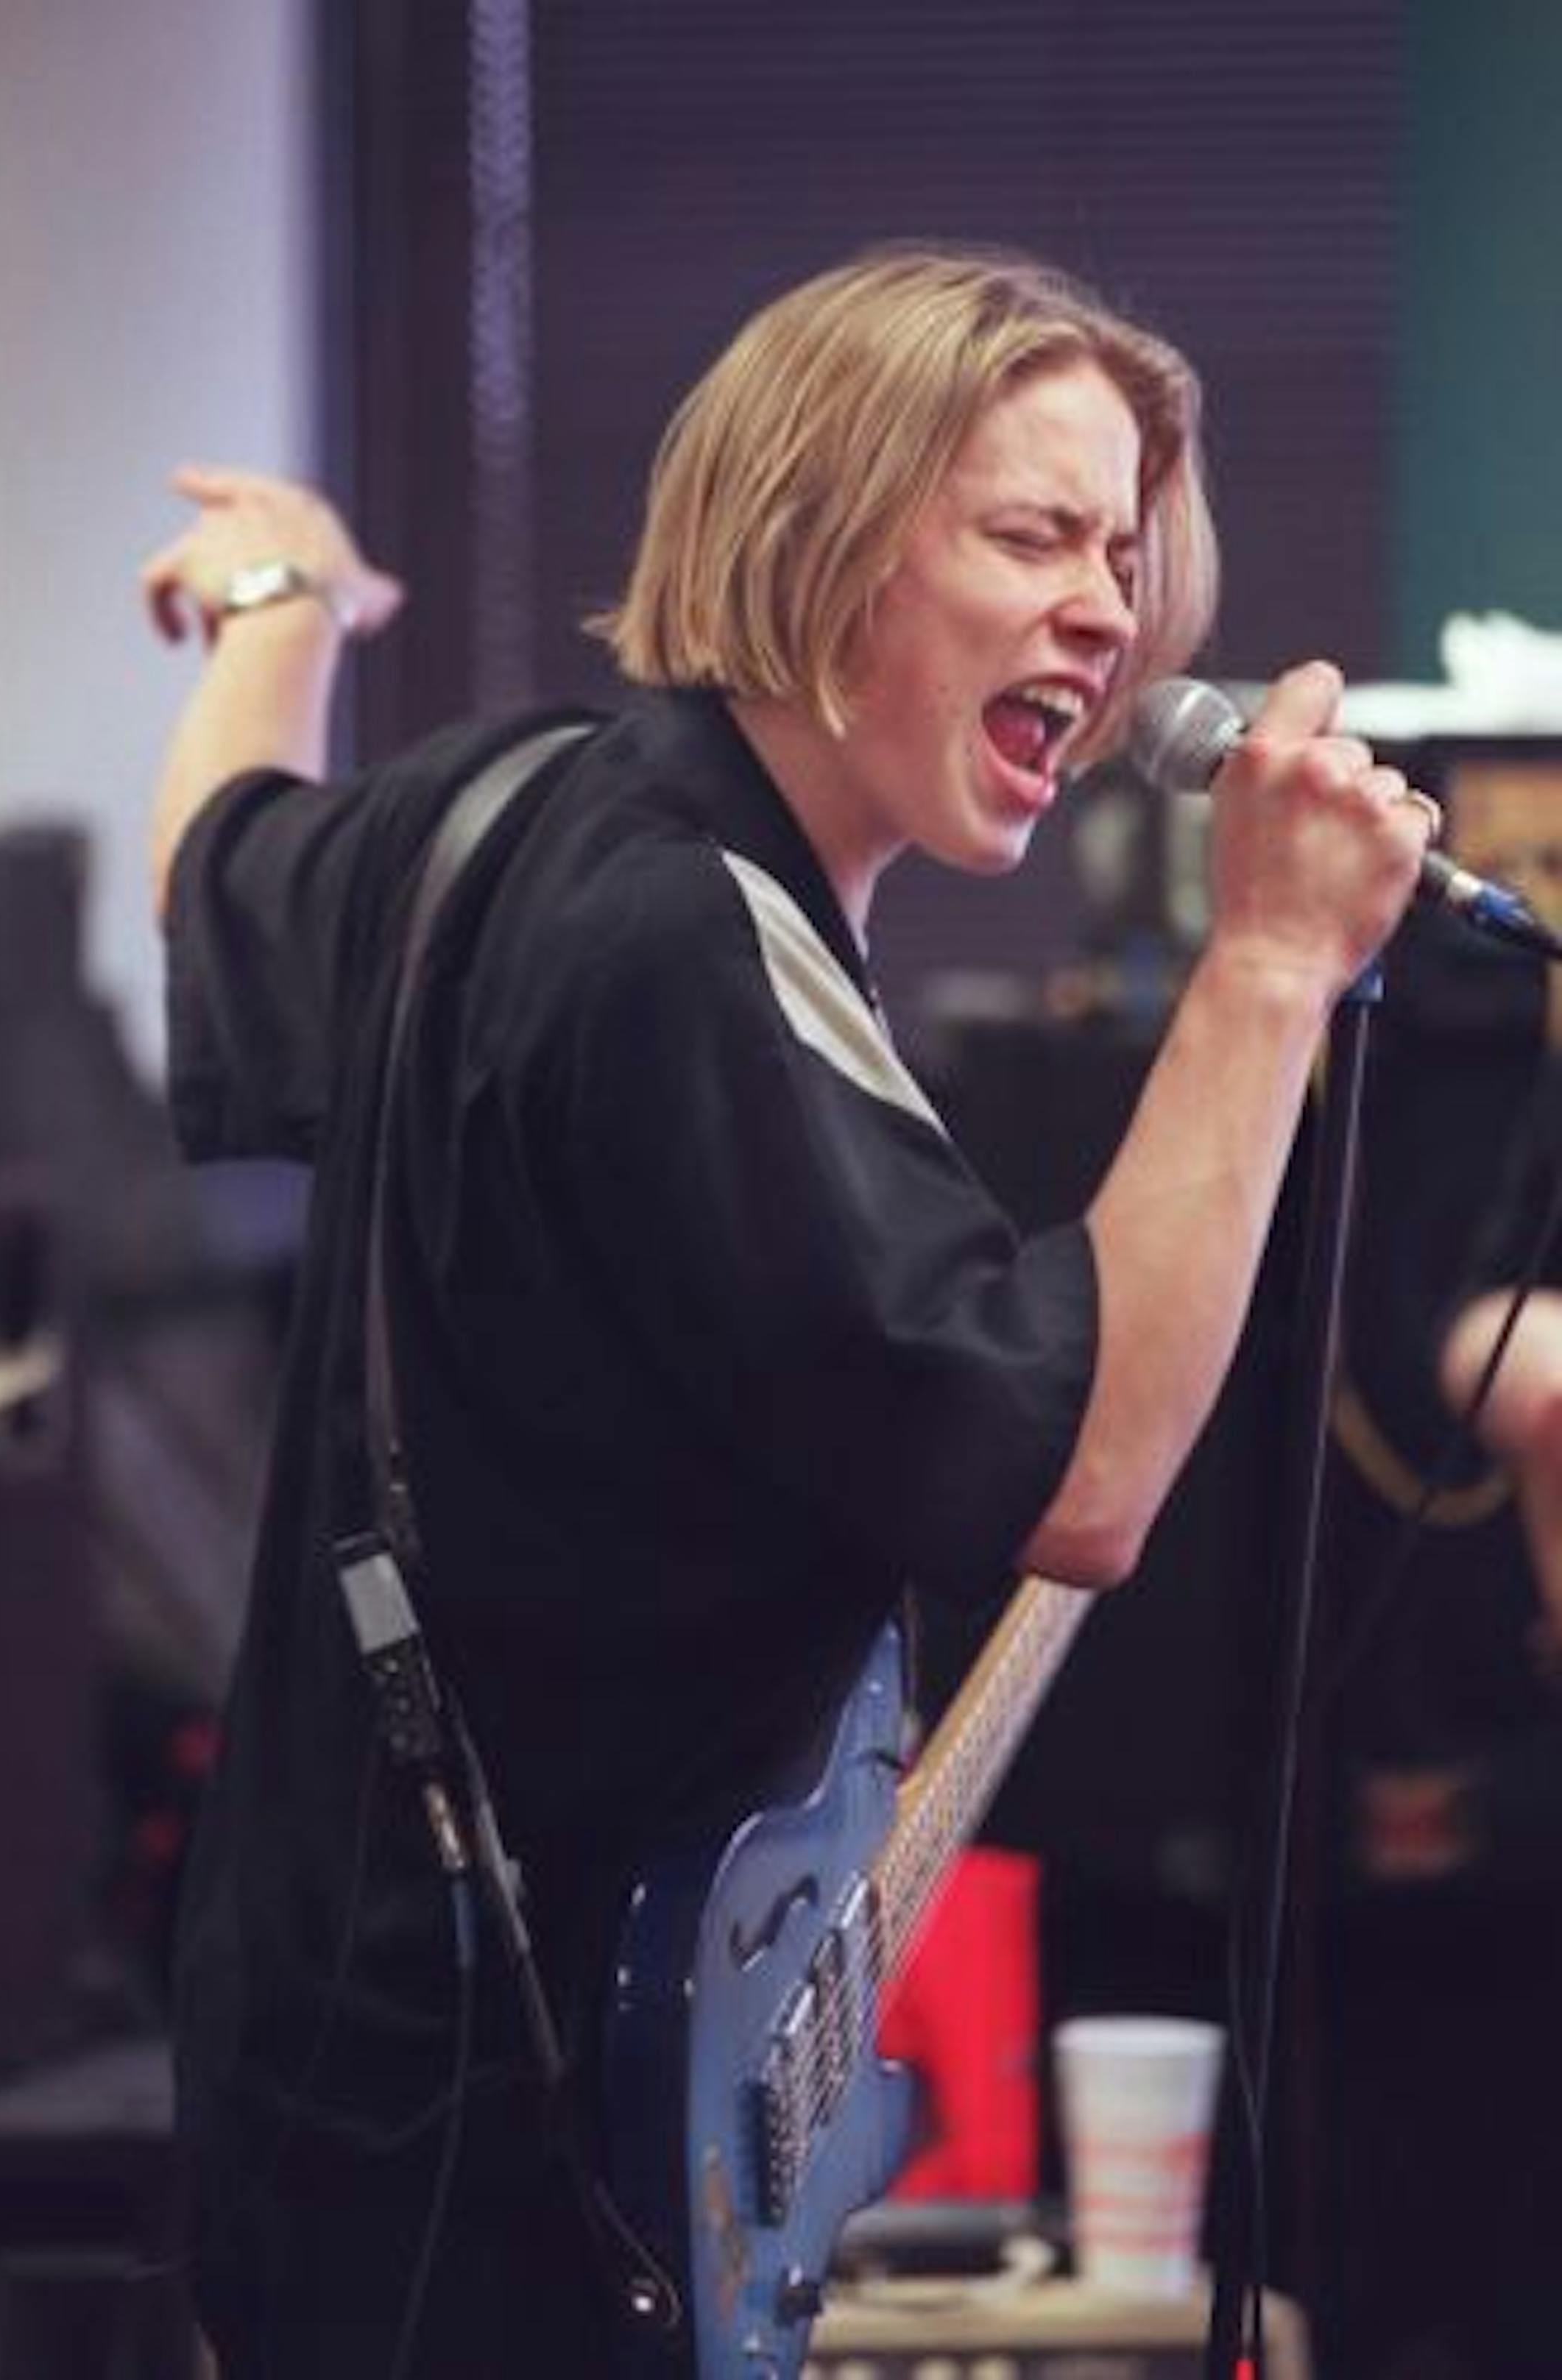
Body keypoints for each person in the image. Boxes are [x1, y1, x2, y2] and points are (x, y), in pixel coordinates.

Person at [141, 245, 1431, 2378]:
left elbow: (219, 873)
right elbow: (1088, 1471)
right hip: (515, 2156)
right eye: (1034, 533)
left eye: (1124, 551)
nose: (1113, 612)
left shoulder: (504, 804)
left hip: (343, 2085)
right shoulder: (683, 948)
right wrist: (1274, 965)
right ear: (822, 532)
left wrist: (284, 602)